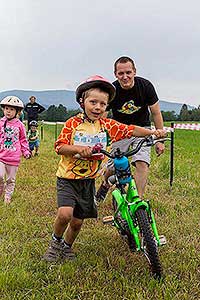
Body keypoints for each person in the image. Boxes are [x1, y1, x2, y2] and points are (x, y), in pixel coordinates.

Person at [42, 75, 166, 262]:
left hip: (88, 180)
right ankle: (55, 243)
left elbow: (130, 129)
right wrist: (78, 149)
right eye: (93, 102)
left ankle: (67, 247)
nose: (98, 107)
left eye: (102, 104)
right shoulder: (73, 124)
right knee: (65, 213)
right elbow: (59, 146)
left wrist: (153, 132)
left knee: (77, 223)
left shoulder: (107, 126)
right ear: (82, 102)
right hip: (67, 178)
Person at [95, 56, 165, 202]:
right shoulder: (111, 91)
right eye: (121, 73)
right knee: (113, 166)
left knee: (142, 162)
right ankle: (105, 185)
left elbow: (156, 113)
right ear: (115, 74)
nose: (125, 77)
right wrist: (99, 139)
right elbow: (103, 117)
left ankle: (137, 201)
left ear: (134, 72)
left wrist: (160, 140)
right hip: (121, 130)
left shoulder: (146, 86)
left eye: (128, 72)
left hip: (143, 129)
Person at [0, 96, 31, 204]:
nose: (8, 111)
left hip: (13, 158)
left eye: (12, 109)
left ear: (17, 112)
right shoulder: (0, 122)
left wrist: (26, 151)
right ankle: (1, 191)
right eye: (6, 108)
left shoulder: (20, 125)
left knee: (10, 179)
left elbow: (23, 139)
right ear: (3, 109)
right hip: (1, 156)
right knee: (0, 176)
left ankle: (7, 197)